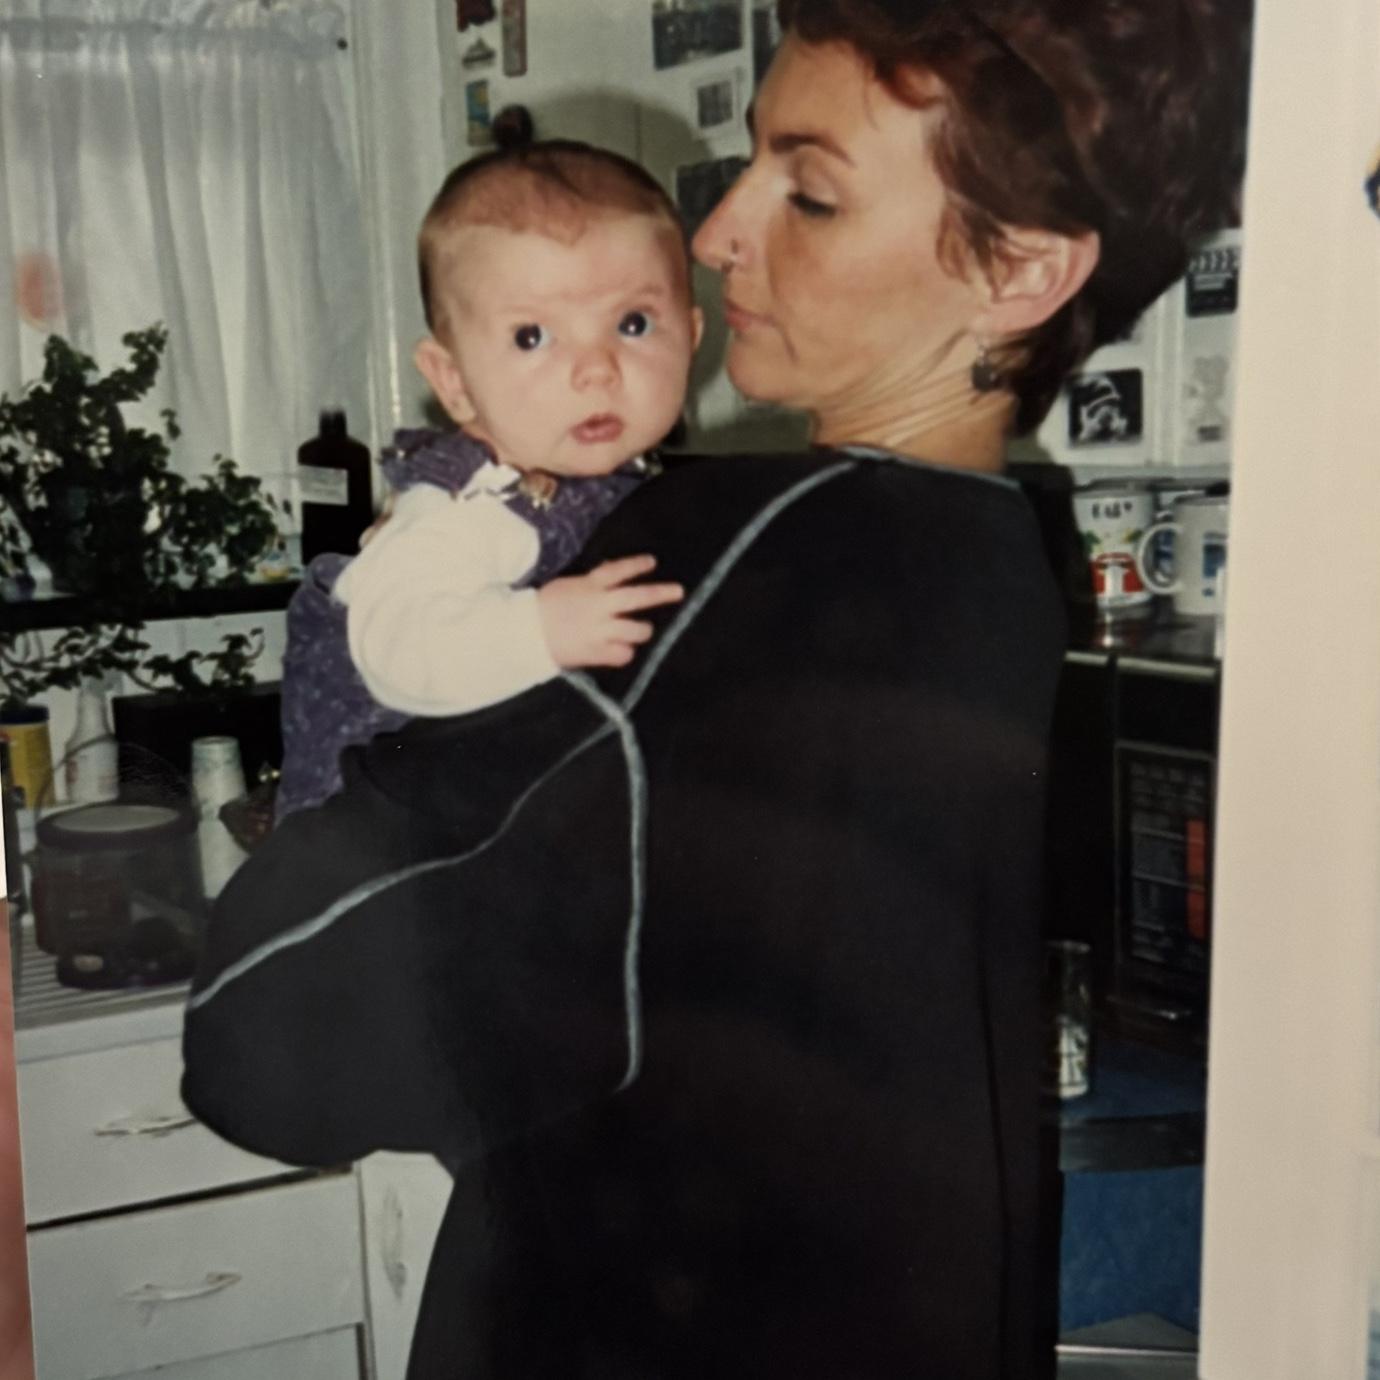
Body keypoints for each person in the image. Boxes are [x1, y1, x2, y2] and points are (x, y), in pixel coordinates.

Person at [182, 1, 1242, 1376]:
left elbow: (260, 1043)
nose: (719, 230)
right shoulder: (995, 561)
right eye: (749, 164)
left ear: (1020, 269)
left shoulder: (712, 561)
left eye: (810, 190)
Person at [276, 140, 700, 818]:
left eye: (633, 323)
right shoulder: (467, 504)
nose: (596, 369)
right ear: (453, 381)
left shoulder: (629, 485)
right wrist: (541, 630)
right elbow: (397, 649)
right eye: (532, 336)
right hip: (377, 836)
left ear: (692, 336)